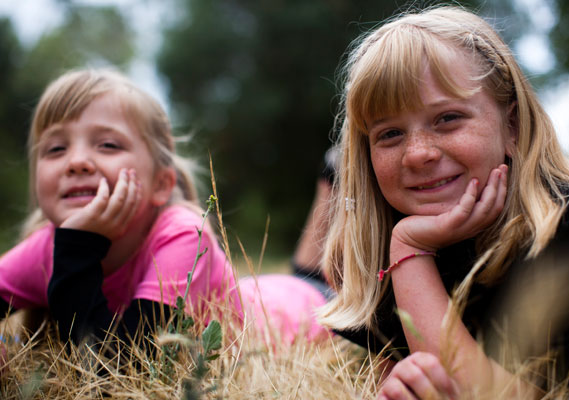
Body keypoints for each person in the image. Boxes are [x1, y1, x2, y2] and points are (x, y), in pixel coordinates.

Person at [317, 6, 569, 399]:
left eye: (447, 118)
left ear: (512, 126)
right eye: (390, 134)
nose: (417, 154)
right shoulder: (376, 258)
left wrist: (410, 249)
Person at [0, 69, 328, 354]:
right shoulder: (48, 248)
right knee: (305, 272)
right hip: (259, 292)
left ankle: (332, 181)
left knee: (316, 283)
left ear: (160, 183)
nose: (76, 162)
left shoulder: (184, 235)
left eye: (108, 145)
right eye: (56, 149)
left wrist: (78, 250)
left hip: (302, 312)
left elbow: (124, 368)